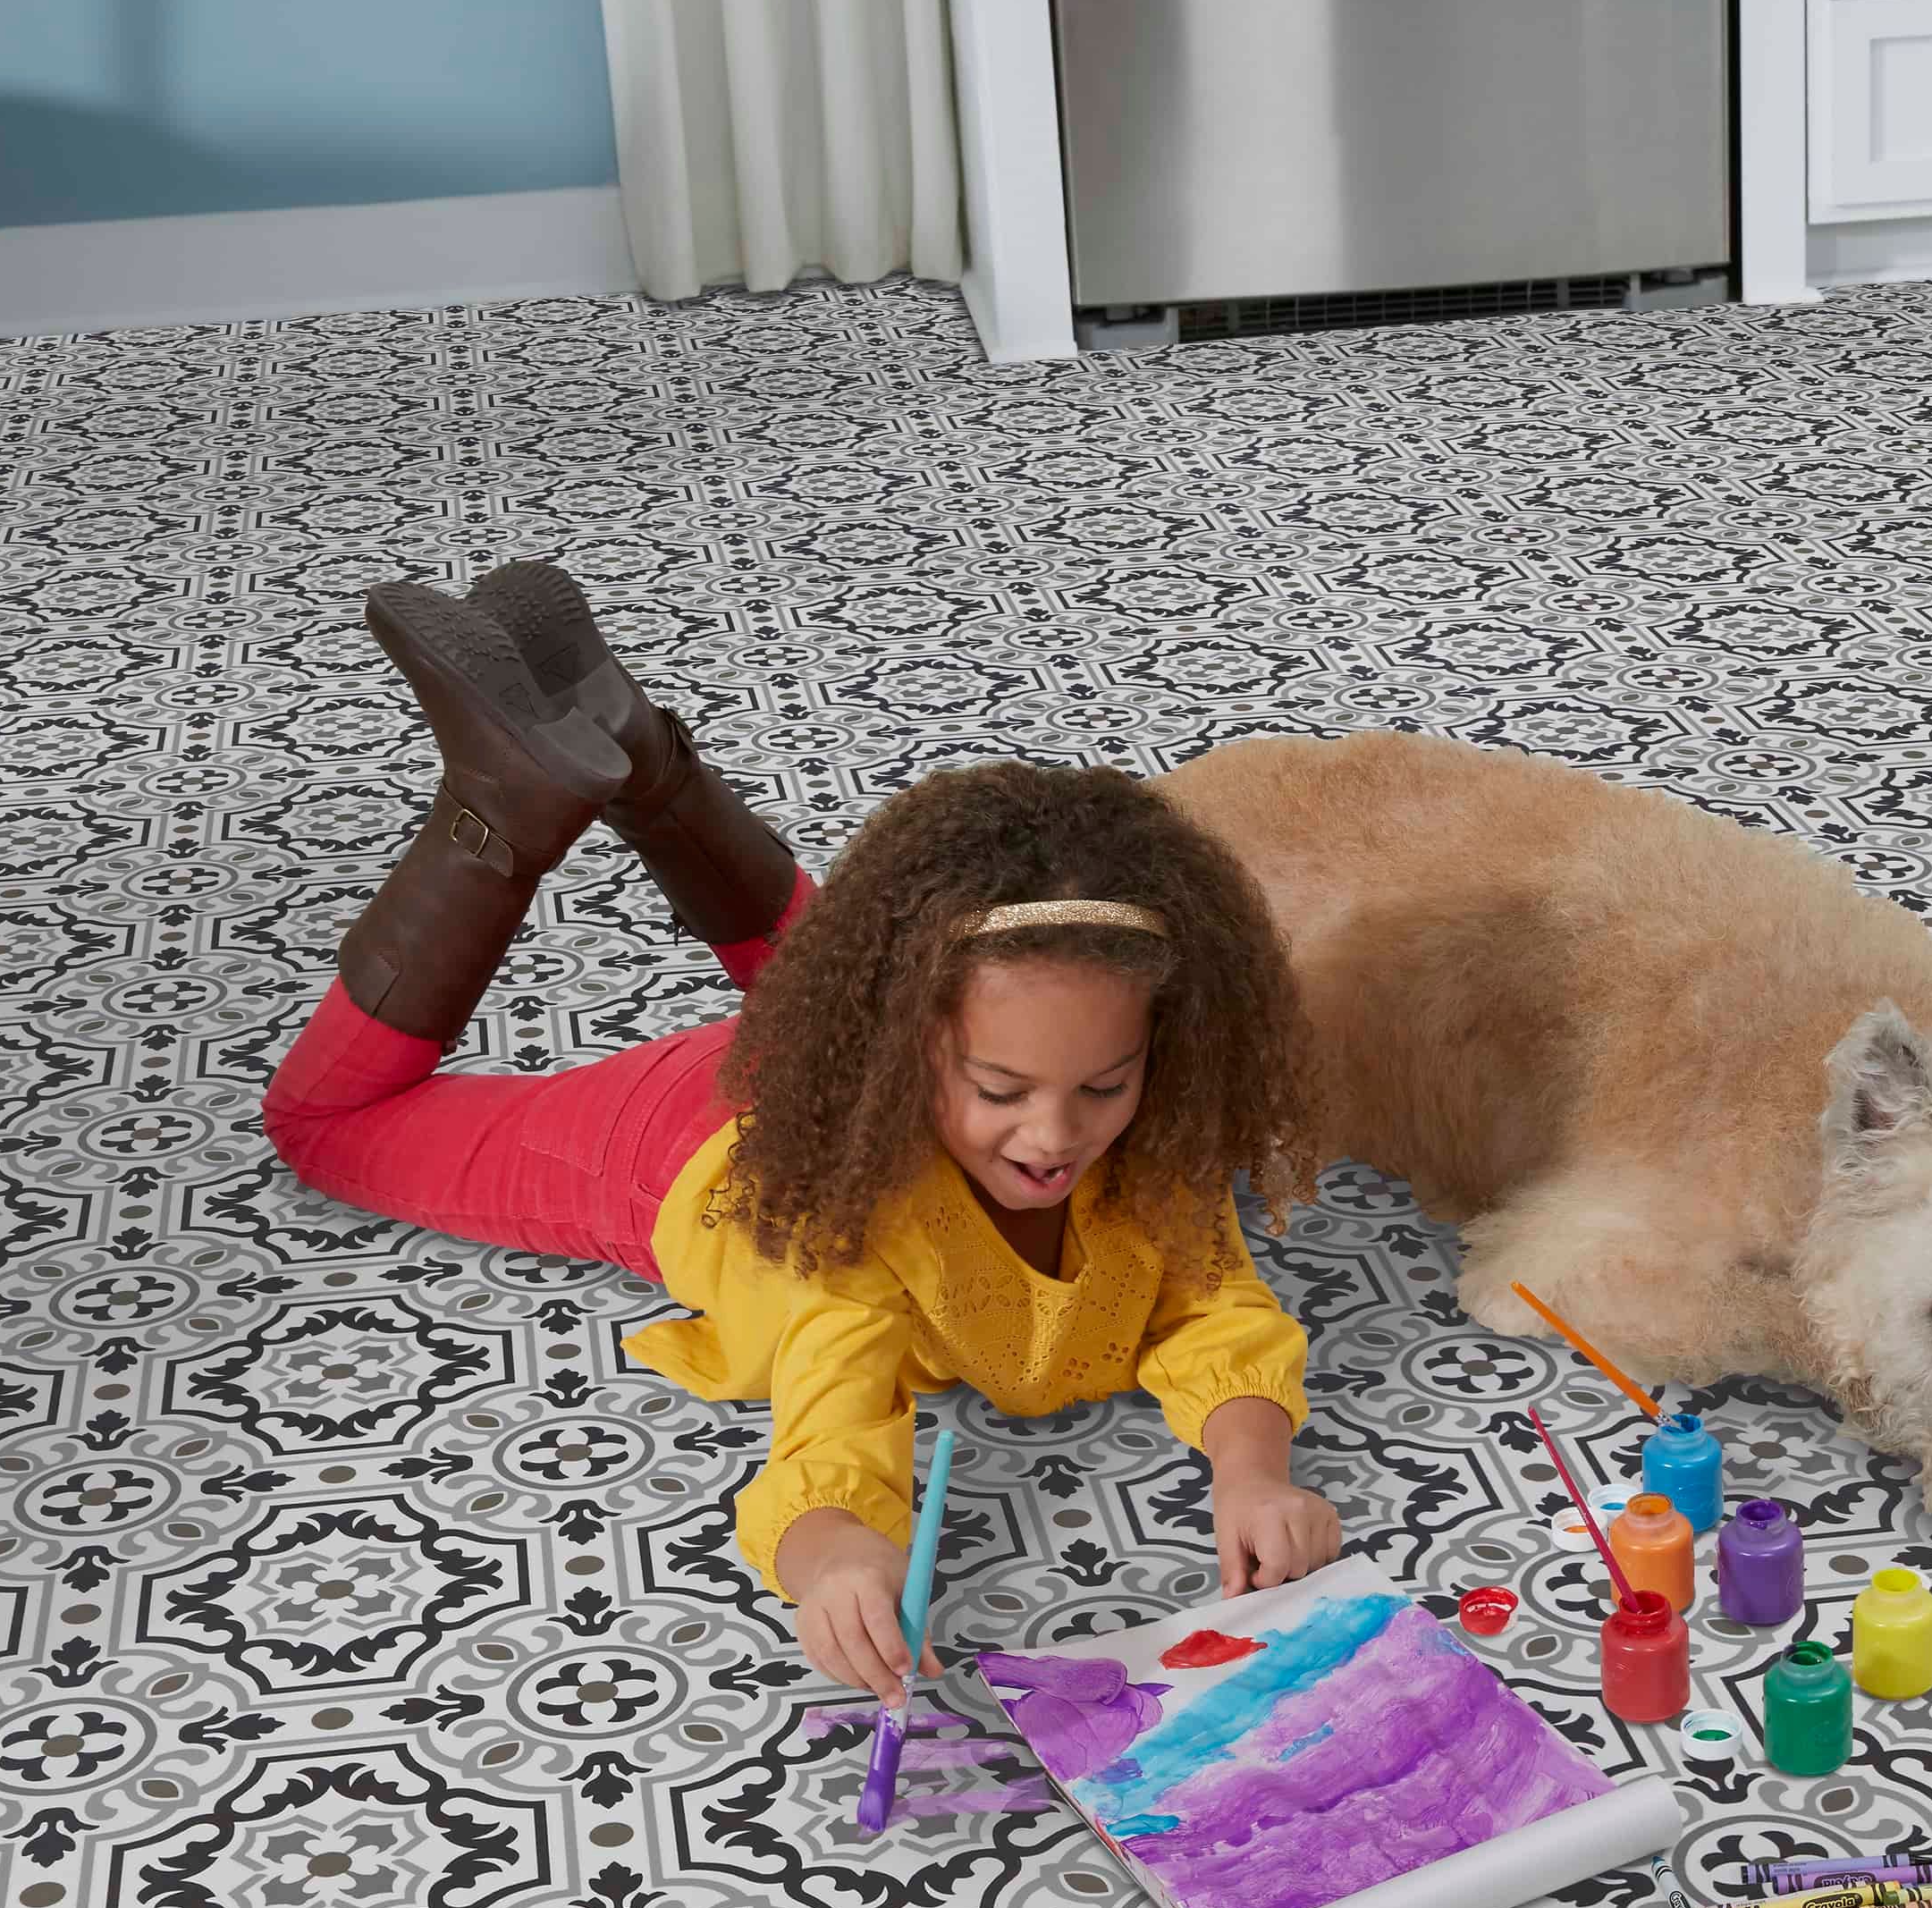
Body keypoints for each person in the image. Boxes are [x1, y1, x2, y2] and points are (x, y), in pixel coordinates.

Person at [260, 561, 1342, 1708]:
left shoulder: (1141, 1126)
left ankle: (639, 748)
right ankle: (501, 810)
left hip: (859, 1054)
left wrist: (1253, 1470)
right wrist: (833, 1553)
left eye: (1105, 1085)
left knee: (909, 956)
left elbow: (1217, 1301)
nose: (1056, 1135)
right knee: (326, 1121)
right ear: (902, 1044)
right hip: (675, 1147)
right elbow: (837, 1402)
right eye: (1004, 1087)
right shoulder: (848, 1228)